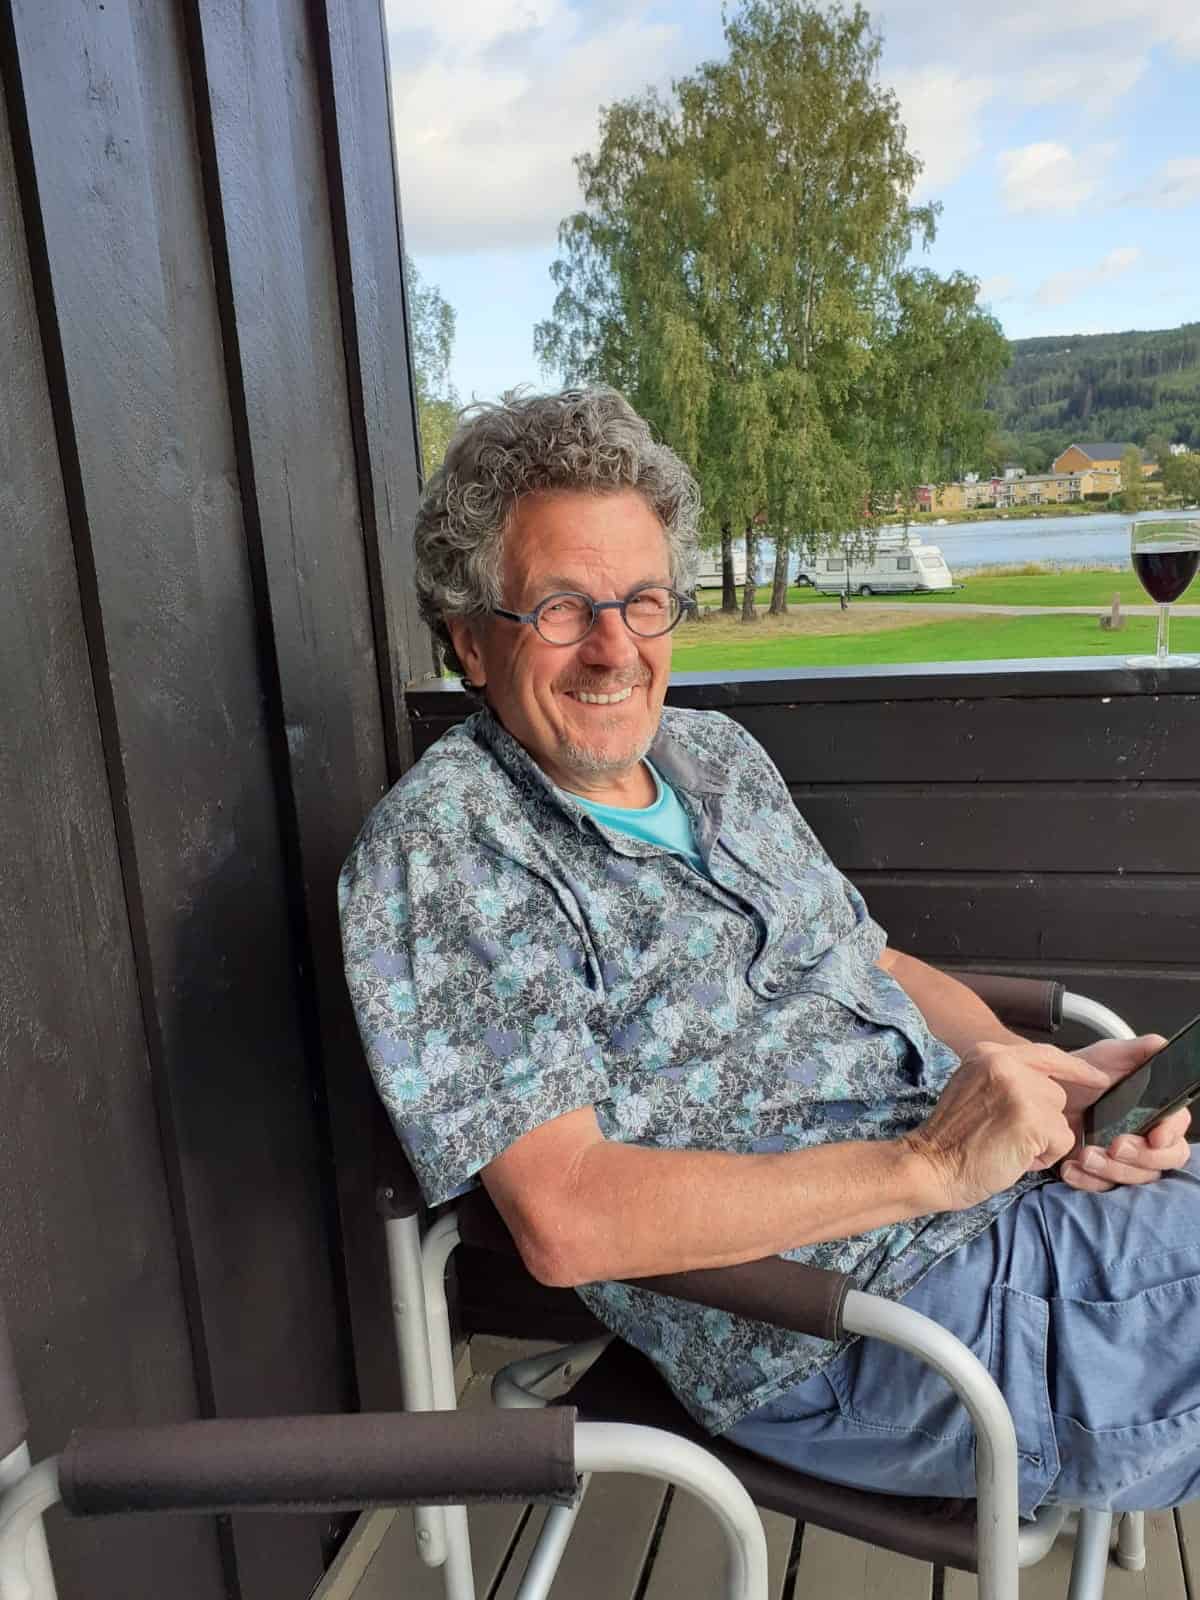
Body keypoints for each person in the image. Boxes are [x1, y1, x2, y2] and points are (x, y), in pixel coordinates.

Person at [339, 387, 1197, 1517]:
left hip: (1006, 1202)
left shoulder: (715, 756)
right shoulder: (448, 849)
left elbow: (870, 963)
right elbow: (566, 1217)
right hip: (871, 1323)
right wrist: (932, 1166)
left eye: (644, 602)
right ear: (468, 639)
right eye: (560, 608)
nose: (615, 649)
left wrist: (1046, 1087)